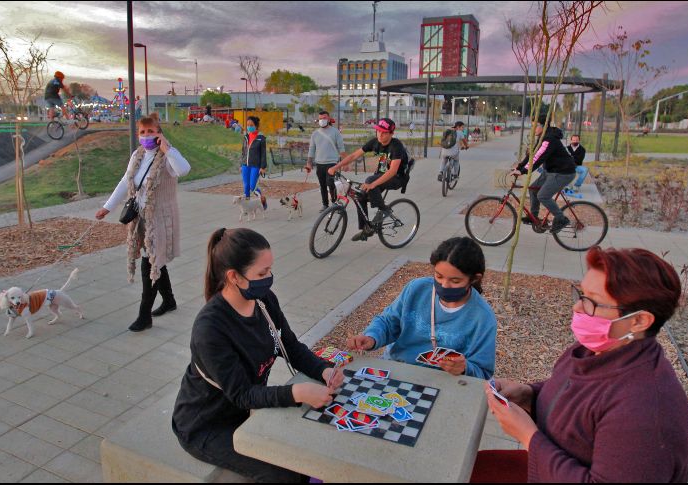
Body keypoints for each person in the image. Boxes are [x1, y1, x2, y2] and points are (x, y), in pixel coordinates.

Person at [485, 247, 688, 482]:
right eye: (581, 294)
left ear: (638, 321)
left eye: (592, 302)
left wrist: (528, 437)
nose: (577, 308)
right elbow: (577, 395)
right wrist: (529, 396)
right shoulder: (594, 351)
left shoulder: (646, 411)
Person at [172, 228, 344, 482]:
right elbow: (241, 394)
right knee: (286, 473)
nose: (269, 278)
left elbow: (290, 346)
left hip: (246, 411)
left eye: (270, 270)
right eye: (262, 273)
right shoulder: (210, 329)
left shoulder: (264, 301)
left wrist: (324, 369)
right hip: (206, 426)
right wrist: (297, 393)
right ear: (234, 277)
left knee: (311, 450)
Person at [346, 237, 496, 379]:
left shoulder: (482, 317)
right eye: (439, 276)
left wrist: (464, 368)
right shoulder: (417, 289)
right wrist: (371, 337)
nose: (444, 285)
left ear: (475, 279)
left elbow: (483, 372)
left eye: (455, 281)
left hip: (442, 381)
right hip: (396, 367)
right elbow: (388, 322)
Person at [96, 113, 191, 331]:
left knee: (150, 261)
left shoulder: (168, 156)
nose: (146, 135)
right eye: (143, 132)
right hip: (141, 217)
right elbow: (125, 181)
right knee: (154, 258)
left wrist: (167, 148)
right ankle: (169, 301)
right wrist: (107, 207)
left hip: (161, 218)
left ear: (160, 133)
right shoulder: (137, 155)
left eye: (151, 131)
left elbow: (183, 169)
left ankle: (144, 315)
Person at [328, 118, 408, 242]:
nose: (380, 135)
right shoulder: (375, 142)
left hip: (397, 177)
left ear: (391, 133)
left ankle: (384, 210)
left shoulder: (397, 146)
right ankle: (366, 229)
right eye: (378, 131)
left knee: (370, 181)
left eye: (384, 133)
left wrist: (373, 184)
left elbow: (392, 172)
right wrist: (336, 166)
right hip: (381, 173)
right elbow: (354, 155)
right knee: (360, 196)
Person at [512, 113, 576, 234]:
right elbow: (532, 154)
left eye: (535, 126)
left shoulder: (549, 139)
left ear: (542, 126)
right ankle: (534, 217)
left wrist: (523, 171)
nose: (533, 129)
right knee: (532, 189)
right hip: (551, 171)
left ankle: (561, 219)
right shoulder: (543, 137)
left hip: (563, 172)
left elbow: (538, 157)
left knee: (543, 196)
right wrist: (519, 167)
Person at [304, 111, 346, 212]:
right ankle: (325, 204)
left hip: (332, 163)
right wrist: (309, 163)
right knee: (322, 185)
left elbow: (341, 148)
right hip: (320, 163)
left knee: (330, 183)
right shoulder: (315, 134)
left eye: (324, 118)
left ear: (328, 119)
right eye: (320, 119)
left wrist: (345, 163)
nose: (322, 120)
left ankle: (335, 203)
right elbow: (311, 149)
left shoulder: (335, 132)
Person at [240, 116, 267, 204]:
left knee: (252, 186)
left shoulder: (261, 138)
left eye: (251, 125)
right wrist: (241, 164)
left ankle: (262, 200)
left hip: (255, 166)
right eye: (247, 125)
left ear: (256, 126)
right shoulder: (246, 137)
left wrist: (263, 167)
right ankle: (247, 205)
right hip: (245, 165)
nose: (249, 127)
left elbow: (263, 153)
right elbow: (243, 151)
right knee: (246, 186)